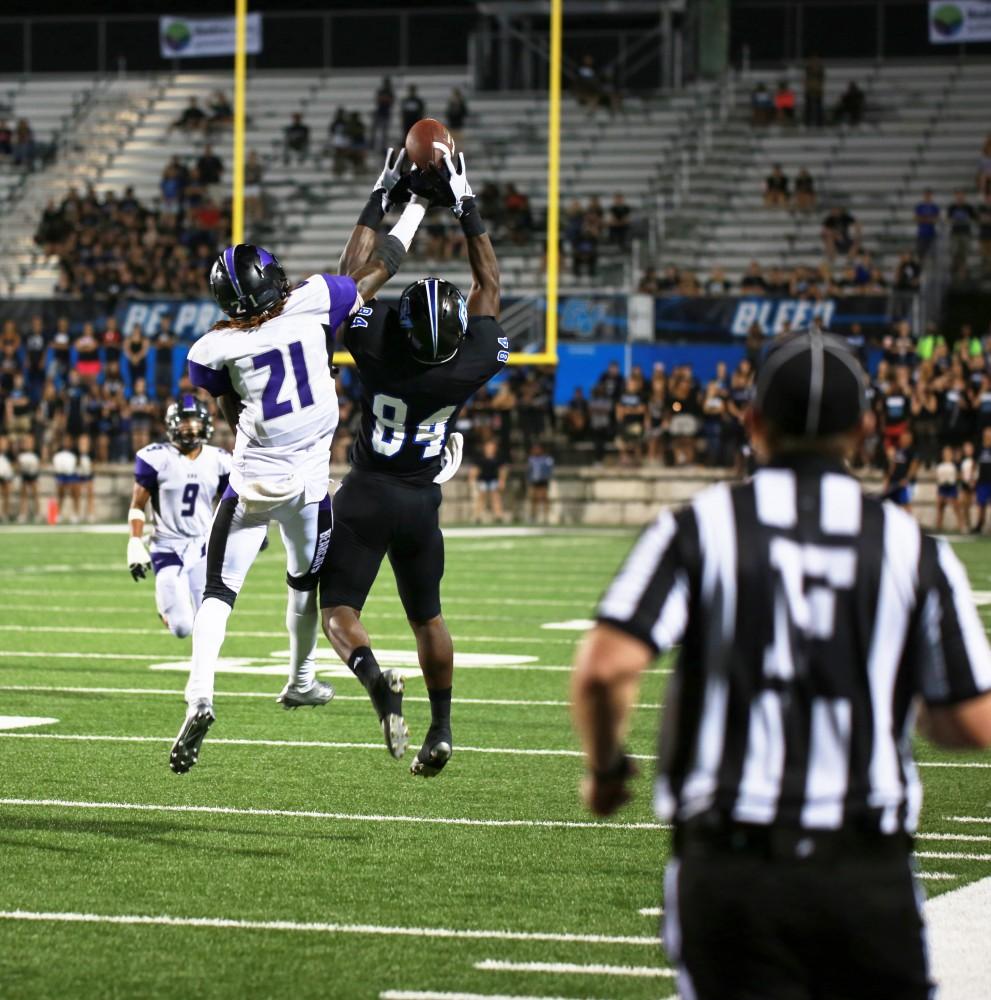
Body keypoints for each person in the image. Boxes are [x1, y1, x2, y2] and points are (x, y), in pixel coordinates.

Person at [572, 331, 991, 1000]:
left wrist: (605, 771)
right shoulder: (913, 549)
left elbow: (604, 669)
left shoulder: (699, 527)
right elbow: (970, 721)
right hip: (864, 865)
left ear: (752, 421)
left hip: (734, 867)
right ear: (862, 430)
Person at [170, 181, 433, 775]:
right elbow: (379, 266)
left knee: (218, 595)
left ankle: (200, 698)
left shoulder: (210, 348)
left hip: (252, 482)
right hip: (309, 485)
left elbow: (223, 407)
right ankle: (301, 678)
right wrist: (410, 205)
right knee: (303, 584)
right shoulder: (313, 300)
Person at [319, 148, 506, 775]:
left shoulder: (375, 346)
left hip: (367, 492)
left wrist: (388, 193)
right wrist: (466, 201)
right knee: (428, 616)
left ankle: (373, 675)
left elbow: (352, 274)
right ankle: (443, 725)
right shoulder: (471, 365)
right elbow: (488, 285)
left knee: (338, 609)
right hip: (422, 503)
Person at [126, 397, 232, 640]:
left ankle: (203, 674)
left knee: (210, 623)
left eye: (195, 423)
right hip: (167, 546)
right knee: (183, 628)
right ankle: (165, 609)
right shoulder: (155, 457)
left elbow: (231, 502)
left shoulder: (219, 459)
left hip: (203, 546)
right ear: (172, 425)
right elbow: (137, 505)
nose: (190, 429)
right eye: (184, 423)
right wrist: (134, 541)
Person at [470, 438, 507, 523]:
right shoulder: (481, 458)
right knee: (481, 498)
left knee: (496, 498)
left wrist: (502, 481)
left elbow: (502, 470)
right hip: (483, 480)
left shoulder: (498, 458)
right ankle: (477, 516)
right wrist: (473, 480)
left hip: (494, 480)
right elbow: (475, 469)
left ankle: (498, 516)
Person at [934, 444, 965, 533]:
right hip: (942, 487)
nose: (946, 454)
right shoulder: (940, 465)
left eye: (948, 452)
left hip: (952, 487)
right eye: (945, 453)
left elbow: (960, 475)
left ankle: (961, 525)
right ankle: (938, 526)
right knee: (940, 507)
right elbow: (937, 476)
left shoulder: (955, 464)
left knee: (956, 507)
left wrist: (954, 478)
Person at [946, 190, 976, 278]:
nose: (960, 197)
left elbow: (975, 218)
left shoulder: (968, 207)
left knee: (964, 252)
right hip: (955, 233)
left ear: (964, 197)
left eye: (961, 195)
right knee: (954, 252)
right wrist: (954, 220)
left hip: (965, 233)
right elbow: (948, 219)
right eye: (958, 195)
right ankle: (955, 270)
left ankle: (963, 271)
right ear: (956, 197)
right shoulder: (952, 207)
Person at [526, 440, 554, 522]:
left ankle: (546, 516)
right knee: (533, 498)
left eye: (537, 449)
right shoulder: (531, 459)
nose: (535, 451)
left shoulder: (546, 459)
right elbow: (529, 470)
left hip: (543, 480)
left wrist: (546, 477)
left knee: (544, 498)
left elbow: (549, 469)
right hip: (534, 480)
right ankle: (533, 516)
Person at [972, 426, 991, 534]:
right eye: (987, 434)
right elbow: (974, 464)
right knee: (981, 504)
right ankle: (979, 525)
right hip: (982, 481)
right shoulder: (979, 448)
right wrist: (971, 477)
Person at [370, 76, 394, 153]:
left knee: (384, 131)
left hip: (386, 113)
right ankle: (372, 144)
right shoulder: (381, 91)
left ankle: (383, 146)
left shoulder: (390, 92)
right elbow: (378, 100)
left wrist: (384, 99)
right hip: (380, 112)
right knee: (374, 129)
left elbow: (391, 101)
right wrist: (384, 99)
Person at [914, 189, 940, 259]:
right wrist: (928, 219)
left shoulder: (934, 207)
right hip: (922, 233)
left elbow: (936, 219)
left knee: (933, 254)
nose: (927, 196)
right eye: (926, 195)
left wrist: (924, 219)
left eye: (929, 195)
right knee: (921, 253)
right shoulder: (920, 206)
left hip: (931, 233)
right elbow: (916, 218)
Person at [804, 54, 825, 128]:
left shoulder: (820, 70)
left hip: (817, 90)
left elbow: (821, 81)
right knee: (809, 107)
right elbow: (806, 80)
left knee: (818, 107)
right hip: (810, 90)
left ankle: (820, 123)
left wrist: (818, 88)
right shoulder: (808, 69)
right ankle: (808, 123)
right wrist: (808, 88)